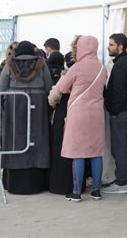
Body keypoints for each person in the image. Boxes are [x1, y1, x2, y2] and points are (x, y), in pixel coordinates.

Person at [51, 36, 108, 202]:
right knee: (96, 152)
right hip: (97, 114)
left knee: (78, 152)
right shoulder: (101, 68)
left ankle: (76, 192)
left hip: (78, 113)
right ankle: (96, 191)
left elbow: (62, 87)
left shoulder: (76, 68)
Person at [0, 41, 52, 194]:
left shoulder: (9, 65)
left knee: (15, 139)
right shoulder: (41, 64)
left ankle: (14, 182)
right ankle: (37, 182)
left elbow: (1, 88)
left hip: (14, 107)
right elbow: (49, 86)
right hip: (38, 107)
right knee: (38, 139)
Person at [102, 33, 127, 194]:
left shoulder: (121, 64)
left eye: (111, 45)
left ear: (120, 47)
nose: (108, 47)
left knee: (120, 147)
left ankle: (122, 181)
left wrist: (114, 110)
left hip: (121, 111)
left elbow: (119, 91)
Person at [48, 52, 75, 195]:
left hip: (63, 113)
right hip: (80, 114)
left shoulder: (67, 75)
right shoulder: (89, 73)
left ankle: (59, 184)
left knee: (60, 148)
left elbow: (54, 97)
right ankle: (76, 184)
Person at [0, 41, 19, 135]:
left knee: (3, 121)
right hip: (17, 98)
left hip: (5, 97)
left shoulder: (5, 63)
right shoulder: (22, 63)